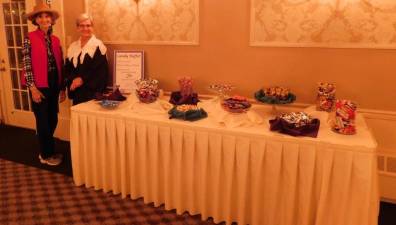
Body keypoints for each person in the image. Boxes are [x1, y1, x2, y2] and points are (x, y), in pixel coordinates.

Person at [22, 3, 65, 166]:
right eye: (40, 16)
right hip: (38, 86)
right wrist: (32, 88)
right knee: (43, 121)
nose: (44, 19)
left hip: (54, 84)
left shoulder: (55, 40)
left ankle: (48, 148)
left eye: (47, 16)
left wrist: (62, 88)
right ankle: (46, 154)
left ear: (52, 19)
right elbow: (26, 64)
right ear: (35, 20)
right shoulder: (29, 38)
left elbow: (59, 63)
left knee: (53, 118)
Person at [64, 13, 109, 105]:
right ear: (77, 28)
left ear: (92, 27)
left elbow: (101, 72)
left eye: (88, 25)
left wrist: (82, 79)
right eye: (82, 26)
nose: (85, 29)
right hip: (77, 92)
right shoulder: (73, 46)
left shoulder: (98, 46)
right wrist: (74, 79)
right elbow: (68, 68)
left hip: (92, 93)